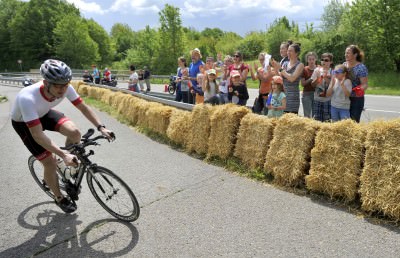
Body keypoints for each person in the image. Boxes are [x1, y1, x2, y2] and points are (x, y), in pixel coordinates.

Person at [11, 59, 115, 213]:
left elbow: (84, 108)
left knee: (75, 133)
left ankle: (67, 164)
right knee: (50, 162)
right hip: (23, 123)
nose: (62, 89)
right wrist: (62, 154)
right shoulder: (28, 98)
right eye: (57, 85)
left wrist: (101, 127)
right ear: (46, 82)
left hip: (44, 113)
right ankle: (59, 197)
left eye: (65, 85)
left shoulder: (66, 88)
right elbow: (38, 135)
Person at [272, 43, 304, 114]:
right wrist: (276, 68)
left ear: (296, 53)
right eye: (288, 51)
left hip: (293, 99)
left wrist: (280, 69)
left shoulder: (300, 65)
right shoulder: (285, 64)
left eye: (291, 51)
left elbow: (292, 78)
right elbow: (280, 79)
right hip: (282, 97)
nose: (288, 53)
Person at [343, 45, 368, 123]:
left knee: (353, 123)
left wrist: (358, 89)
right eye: (345, 53)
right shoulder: (344, 65)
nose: (346, 54)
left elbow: (365, 84)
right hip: (344, 98)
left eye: (348, 53)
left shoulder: (361, 67)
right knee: (344, 122)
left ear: (355, 55)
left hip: (356, 99)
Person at [311, 53, 333, 122]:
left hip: (328, 100)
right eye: (322, 60)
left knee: (327, 121)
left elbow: (333, 86)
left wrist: (325, 77)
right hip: (317, 99)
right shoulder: (316, 70)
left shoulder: (333, 72)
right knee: (316, 121)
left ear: (331, 62)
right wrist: (318, 78)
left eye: (326, 60)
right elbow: (313, 85)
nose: (324, 61)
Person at [301, 52, 318, 118]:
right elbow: (302, 84)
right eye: (310, 59)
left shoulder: (319, 69)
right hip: (307, 94)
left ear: (315, 60)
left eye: (313, 59)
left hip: (317, 93)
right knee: (307, 114)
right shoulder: (304, 69)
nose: (311, 61)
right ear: (307, 60)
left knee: (315, 115)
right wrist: (311, 78)